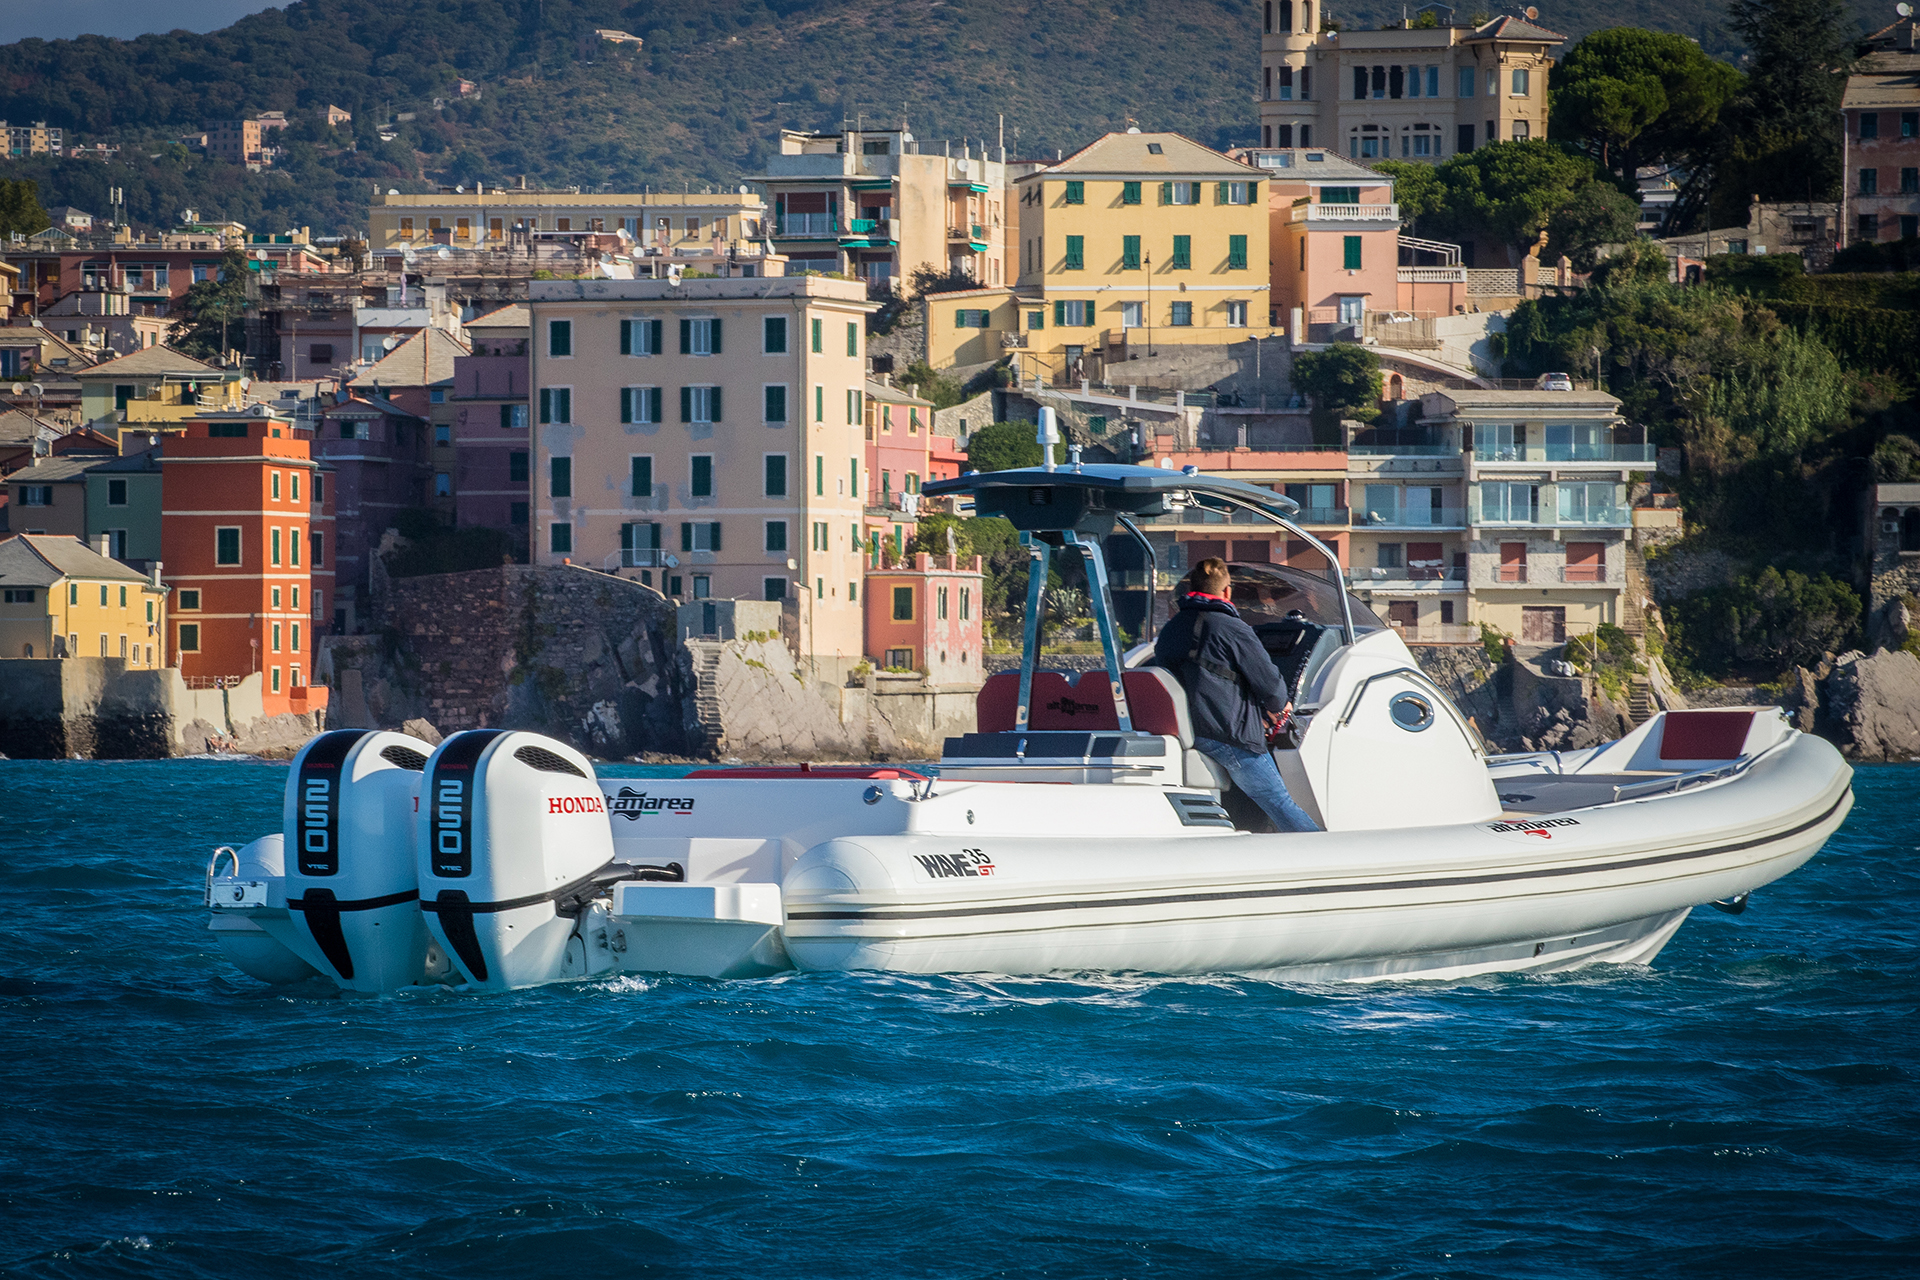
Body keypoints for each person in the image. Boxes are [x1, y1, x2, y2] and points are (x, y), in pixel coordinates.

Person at [1151, 557, 1320, 833]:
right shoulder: (1232, 628)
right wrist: (1279, 705)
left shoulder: (1172, 629)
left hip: (1188, 732)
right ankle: (1319, 850)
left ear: (1191, 589)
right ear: (1227, 591)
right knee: (1278, 801)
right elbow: (1270, 684)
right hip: (1228, 736)